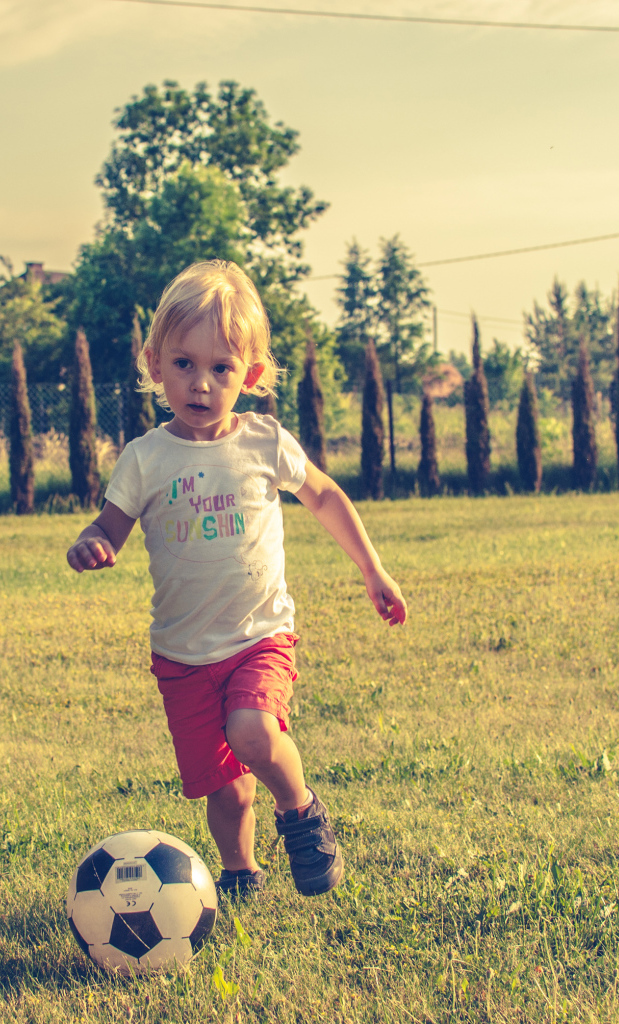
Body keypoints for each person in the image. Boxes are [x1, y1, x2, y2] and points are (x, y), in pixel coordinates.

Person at [66, 260, 407, 898]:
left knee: (252, 731)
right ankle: (241, 873)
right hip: (182, 653)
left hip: (258, 635)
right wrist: (92, 544)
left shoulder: (263, 442)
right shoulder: (144, 459)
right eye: (183, 364)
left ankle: (301, 812)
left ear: (248, 375)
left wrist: (372, 568)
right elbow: (109, 527)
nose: (200, 384)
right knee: (222, 784)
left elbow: (326, 497)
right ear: (154, 362)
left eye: (221, 368)